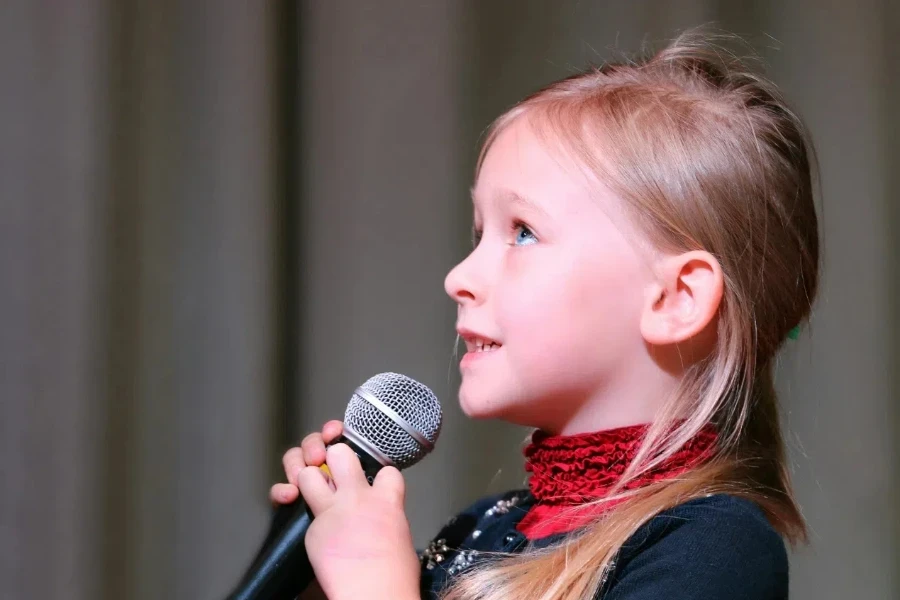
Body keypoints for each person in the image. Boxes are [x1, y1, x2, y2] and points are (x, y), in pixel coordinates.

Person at [269, 29, 819, 600]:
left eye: (523, 233)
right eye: (480, 233)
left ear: (675, 299)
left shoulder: (713, 548)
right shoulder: (479, 530)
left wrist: (373, 584)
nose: (459, 278)